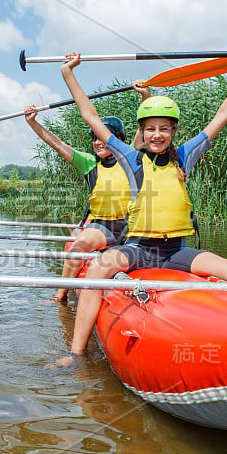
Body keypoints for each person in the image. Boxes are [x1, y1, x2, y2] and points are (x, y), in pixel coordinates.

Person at [57, 47, 227, 365]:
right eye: (150, 128)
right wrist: (69, 73)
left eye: (164, 128)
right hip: (138, 248)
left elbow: (224, 113)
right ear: (142, 131)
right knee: (97, 269)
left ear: (173, 131)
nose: (157, 134)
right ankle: (75, 353)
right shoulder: (130, 157)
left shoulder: (186, 155)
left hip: (178, 250)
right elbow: (91, 117)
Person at [24, 99, 147, 302]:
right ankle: (60, 295)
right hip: (103, 227)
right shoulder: (89, 163)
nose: (97, 143)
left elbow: (142, 132)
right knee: (79, 245)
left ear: (117, 139)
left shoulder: (131, 157)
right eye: (94, 138)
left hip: (133, 228)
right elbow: (57, 143)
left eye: (101, 137)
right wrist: (33, 123)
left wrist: (145, 96)